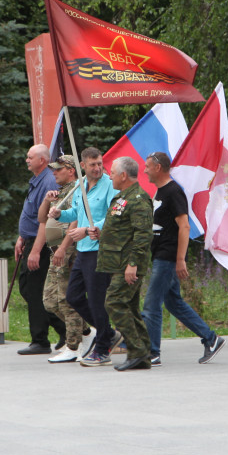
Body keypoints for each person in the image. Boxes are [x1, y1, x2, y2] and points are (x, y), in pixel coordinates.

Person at [142, 152, 225, 365]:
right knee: (173, 302)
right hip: (160, 253)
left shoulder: (173, 192)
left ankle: (152, 353)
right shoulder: (160, 192)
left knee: (151, 304)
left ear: (158, 168)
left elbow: (184, 226)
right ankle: (210, 338)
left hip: (167, 256)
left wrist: (180, 259)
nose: (145, 170)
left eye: (148, 166)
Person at [49, 148, 121, 367]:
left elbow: (114, 215)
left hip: (99, 249)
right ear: (83, 166)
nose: (97, 168)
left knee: (98, 300)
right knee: (73, 296)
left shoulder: (109, 184)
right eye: (92, 165)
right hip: (83, 250)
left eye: (99, 163)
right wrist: (60, 214)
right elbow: (77, 214)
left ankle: (102, 349)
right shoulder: (80, 187)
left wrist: (89, 229)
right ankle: (108, 333)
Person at [96, 157, 154, 371]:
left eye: (112, 172)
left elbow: (143, 235)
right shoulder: (123, 197)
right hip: (118, 262)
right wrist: (100, 234)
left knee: (114, 302)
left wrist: (133, 264)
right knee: (129, 307)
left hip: (128, 264)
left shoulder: (138, 199)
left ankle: (137, 351)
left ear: (123, 175)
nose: (109, 175)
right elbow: (123, 231)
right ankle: (144, 354)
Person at [31, 155, 86, 363]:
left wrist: (63, 248)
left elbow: (76, 219)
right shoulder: (61, 191)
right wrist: (47, 200)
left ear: (71, 170)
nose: (53, 172)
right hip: (56, 251)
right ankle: (88, 332)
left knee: (65, 300)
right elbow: (41, 219)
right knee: (49, 301)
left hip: (68, 250)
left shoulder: (76, 190)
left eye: (58, 169)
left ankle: (74, 346)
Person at [14, 144, 67, 355]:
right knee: (28, 288)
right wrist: (21, 237)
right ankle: (65, 329)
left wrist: (35, 250)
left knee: (35, 291)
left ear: (41, 160)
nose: (26, 160)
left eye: (30, 157)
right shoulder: (37, 180)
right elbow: (31, 214)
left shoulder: (48, 181)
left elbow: (44, 221)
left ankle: (41, 340)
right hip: (30, 240)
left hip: (41, 244)